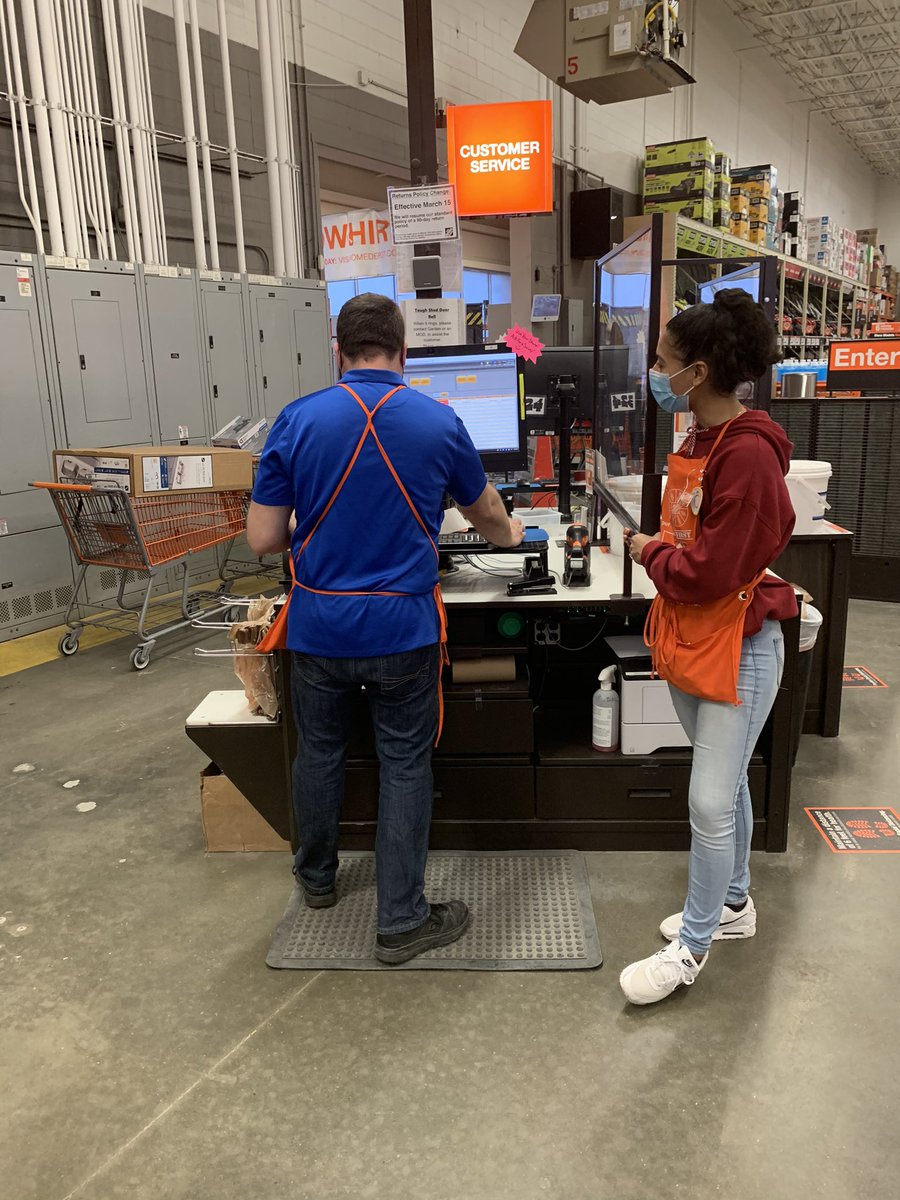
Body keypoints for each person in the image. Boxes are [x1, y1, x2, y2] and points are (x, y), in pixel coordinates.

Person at [246, 293, 524, 964]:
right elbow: (487, 515)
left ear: (338, 350)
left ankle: (317, 880)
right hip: (404, 631)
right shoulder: (439, 420)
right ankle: (400, 921)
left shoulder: (297, 419)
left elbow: (262, 539)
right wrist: (514, 533)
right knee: (404, 763)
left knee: (319, 754)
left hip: (318, 630)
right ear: (405, 352)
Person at [619, 288, 797, 1006]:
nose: (655, 374)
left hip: (739, 645)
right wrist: (666, 553)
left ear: (697, 372)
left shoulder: (748, 455)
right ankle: (733, 904)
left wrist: (649, 553)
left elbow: (710, 569)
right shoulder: (701, 439)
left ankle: (690, 949)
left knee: (709, 802)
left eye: (663, 363)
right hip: (698, 636)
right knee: (727, 786)